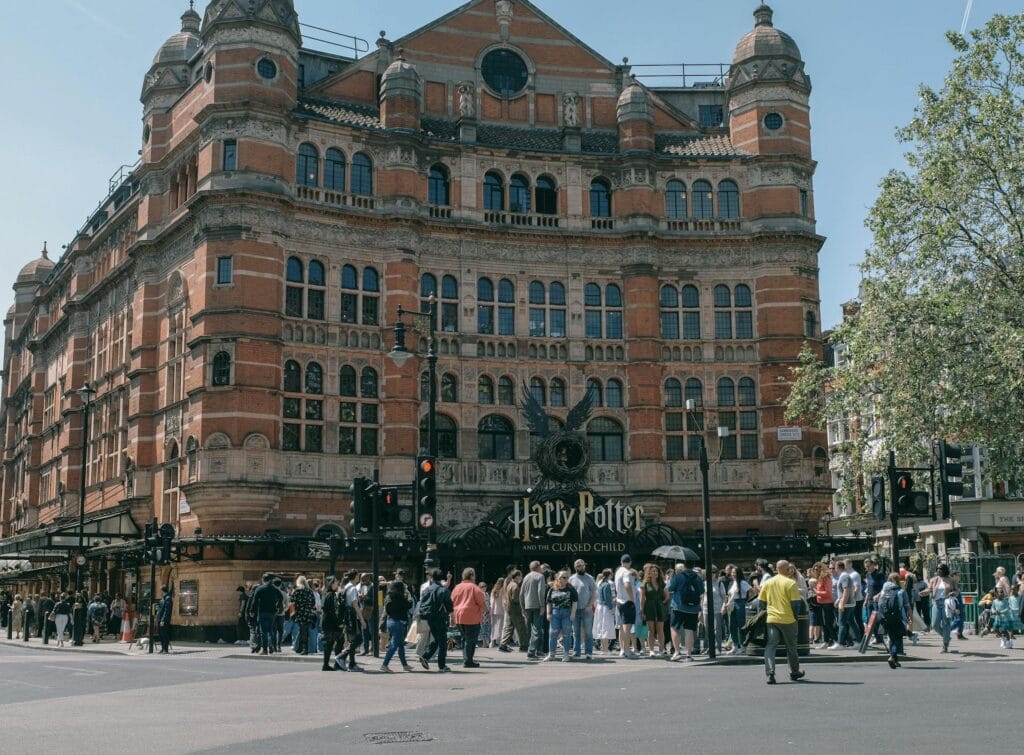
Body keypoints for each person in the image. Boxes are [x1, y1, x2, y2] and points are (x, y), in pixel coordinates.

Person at [759, 559, 805, 685]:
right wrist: (795, 617)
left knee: (771, 645)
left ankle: (770, 673)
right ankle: (794, 671)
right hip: (788, 619)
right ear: (787, 569)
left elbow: (761, 603)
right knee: (791, 647)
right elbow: (796, 604)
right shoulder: (790, 583)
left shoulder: (768, 583)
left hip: (772, 619)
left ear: (776, 569)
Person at [419, 568, 454, 672]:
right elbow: (449, 605)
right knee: (442, 642)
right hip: (440, 618)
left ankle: (426, 656)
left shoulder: (427, 589)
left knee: (437, 639)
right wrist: (452, 617)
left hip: (429, 617)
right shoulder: (442, 590)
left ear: (432, 578)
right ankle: (442, 665)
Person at [668, 561, 703, 662]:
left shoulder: (678, 577)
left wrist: (671, 580)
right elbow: (701, 591)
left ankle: (677, 652)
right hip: (693, 608)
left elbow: (670, 588)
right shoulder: (697, 577)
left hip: (678, 606)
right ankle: (688, 655)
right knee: (689, 631)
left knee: (674, 628)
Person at [451, 568, 486, 668]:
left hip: (458, 616)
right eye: (474, 575)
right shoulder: (474, 588)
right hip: (471, 616)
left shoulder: (457, 587)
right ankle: (468, 661)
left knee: (464, 638)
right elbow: (482, 603)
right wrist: (484, 611)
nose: (475, 577)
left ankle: (466, 658)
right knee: (471, 639)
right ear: (471, 576)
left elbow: (451, 601)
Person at [878, 572, 911, 668]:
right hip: (896, 618)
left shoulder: (883, 590)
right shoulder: (901, 591)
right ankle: (892, 656)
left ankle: (895, 660)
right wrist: (907, 620)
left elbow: (879, 603)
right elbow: (906, 606)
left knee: (892, 637)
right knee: (898, 637)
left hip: (884, 617)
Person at [380, 579, 414, 672]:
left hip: (390, 621)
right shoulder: (399, 597)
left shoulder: (388, 597)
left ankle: (405, 665)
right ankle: (384, 664)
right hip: (399, 622)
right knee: (394, 645)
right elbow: (408, 605)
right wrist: (409, 596)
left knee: (400, 645)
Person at [544, 570, 578, 662]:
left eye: (567, 577)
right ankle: (551, 654)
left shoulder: (571, 589)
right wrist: (548, 613)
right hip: (555, 613)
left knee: (566, 634)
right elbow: (548, 602)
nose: (566, 579)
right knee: (552, 634)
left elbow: (575, 602)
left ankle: (566, 654)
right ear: (558, 578)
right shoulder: (552, 589)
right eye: (564, 577)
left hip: (566, 613)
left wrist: (573, 613)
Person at [922, 564, 955, 653]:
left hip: (946, 603)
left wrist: (953, 593)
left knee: (946, 624)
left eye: (940, 569)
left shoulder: (951, 580)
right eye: (937, 569)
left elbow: (956, 590)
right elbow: (930, 589)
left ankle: (945, 645)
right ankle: (947, 637)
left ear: (944, 570)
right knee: (934, 625)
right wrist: (924, 592)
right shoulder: (934, 579)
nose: (938, 571)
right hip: (936, 603)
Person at [568, 559, 596, 660]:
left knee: (588, 631)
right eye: (579, 566)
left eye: (583, 565)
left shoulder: (590, 578)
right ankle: (576, 651)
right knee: (576, 632)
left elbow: (594, 594)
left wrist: (589, 606)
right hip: (575, 609)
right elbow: (568, 594)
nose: (582, 567)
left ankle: (588, 652)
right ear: (575, 567)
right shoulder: (571, 579)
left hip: (586, 609)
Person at [250, 573, 283, 656]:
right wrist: (278, 606)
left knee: (263, 632)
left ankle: (265, 650)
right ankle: (271, 646)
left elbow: (254, 601)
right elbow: (281, 597)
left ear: (263, 579)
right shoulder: (274, 589)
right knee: (271, 630)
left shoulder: (260, 589)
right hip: (272, 612)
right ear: (270, 580)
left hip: (262, 612)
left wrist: (252, 611)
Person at [520, 561, 547, 659]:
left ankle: (538, 650)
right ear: (538, 567)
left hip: (527, 605)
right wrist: (542, 606)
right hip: (537, 605)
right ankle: (531, 652)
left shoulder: (526, 577)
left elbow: (521, 593)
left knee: (532, 629)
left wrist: (523, 607)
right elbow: (541, 592)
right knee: (537, 629)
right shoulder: (540, 577)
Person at [641, 563, 669, 657]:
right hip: (649, 607)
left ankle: (661, 650)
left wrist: (662, 602)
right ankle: (651, 650)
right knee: (651, 630)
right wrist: (642, 611)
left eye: (656, 571)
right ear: (649, 573)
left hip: (660, 607)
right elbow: (642, 599)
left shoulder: (662, 583)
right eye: (653, 571)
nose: (655, 572)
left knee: (660, 630)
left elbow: (667, 595)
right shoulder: (645, 584)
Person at [614, 554, 638, 658]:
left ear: (621, 562)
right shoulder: (626, 572)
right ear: (630, 562)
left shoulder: (618, 571)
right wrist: (632, 598)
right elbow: (627, 584)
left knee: (621, 628)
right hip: (627, 602)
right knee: (627, 628)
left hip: (620, 601)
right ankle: (627, 650)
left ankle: (623, 649)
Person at [832, 561, 858, 649]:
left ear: (837, 567)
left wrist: (841, 604)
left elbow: (846, 590)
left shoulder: (843, 576)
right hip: (850, 603)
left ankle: (840, 643)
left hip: (846, 604)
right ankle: (858, 641)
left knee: (842, 623)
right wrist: (838, 601)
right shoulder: (846, 576)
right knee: (852, 622)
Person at [499, 570, 527, 653]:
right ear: (517, 576)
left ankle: (503, 644)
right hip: (515, 610)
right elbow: (516, 599)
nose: (521, 578)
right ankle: (523, 646)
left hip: (509, 609)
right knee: (521, 628)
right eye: (521, 576)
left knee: (509, 627)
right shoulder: (515, 586)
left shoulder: (510, 584)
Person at [593, 568, 616, 654]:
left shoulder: (600, 583)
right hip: (606, 608)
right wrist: (612, 608)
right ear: (610, 574)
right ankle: (605, 649)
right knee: (606, 627)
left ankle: (603, 648)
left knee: (601, 627)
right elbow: (609, 598)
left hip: (599, 607)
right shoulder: (609, 584)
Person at [291, 575, 316, 654]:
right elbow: (313, 603)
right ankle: (301, 647)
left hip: (300, 613)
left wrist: (292, 614)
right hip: (308, 613)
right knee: (305, 631)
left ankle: (304, 648)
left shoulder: (297, 591)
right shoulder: (310, 591)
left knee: (302, 631)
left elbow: (292, 603)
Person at [489, 578, 506, 648]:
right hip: (502, 611)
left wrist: (491, 611)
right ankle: (500, 642)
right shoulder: (504, 590)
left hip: (494, 611)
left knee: (494, 627)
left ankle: (492, 642)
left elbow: (492, 603)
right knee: (501, 627)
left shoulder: (494, 590)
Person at [156, 586, 173, 654]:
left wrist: (163, 620)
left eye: (161, 591)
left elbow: (167, 611)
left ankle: (165, 649)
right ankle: (163, 648)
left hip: (164, 620)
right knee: (160, 634)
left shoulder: (168, 598)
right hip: (160, 619)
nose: (160, 593)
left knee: (164, 634)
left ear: (163, 591)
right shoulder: (164, 598)